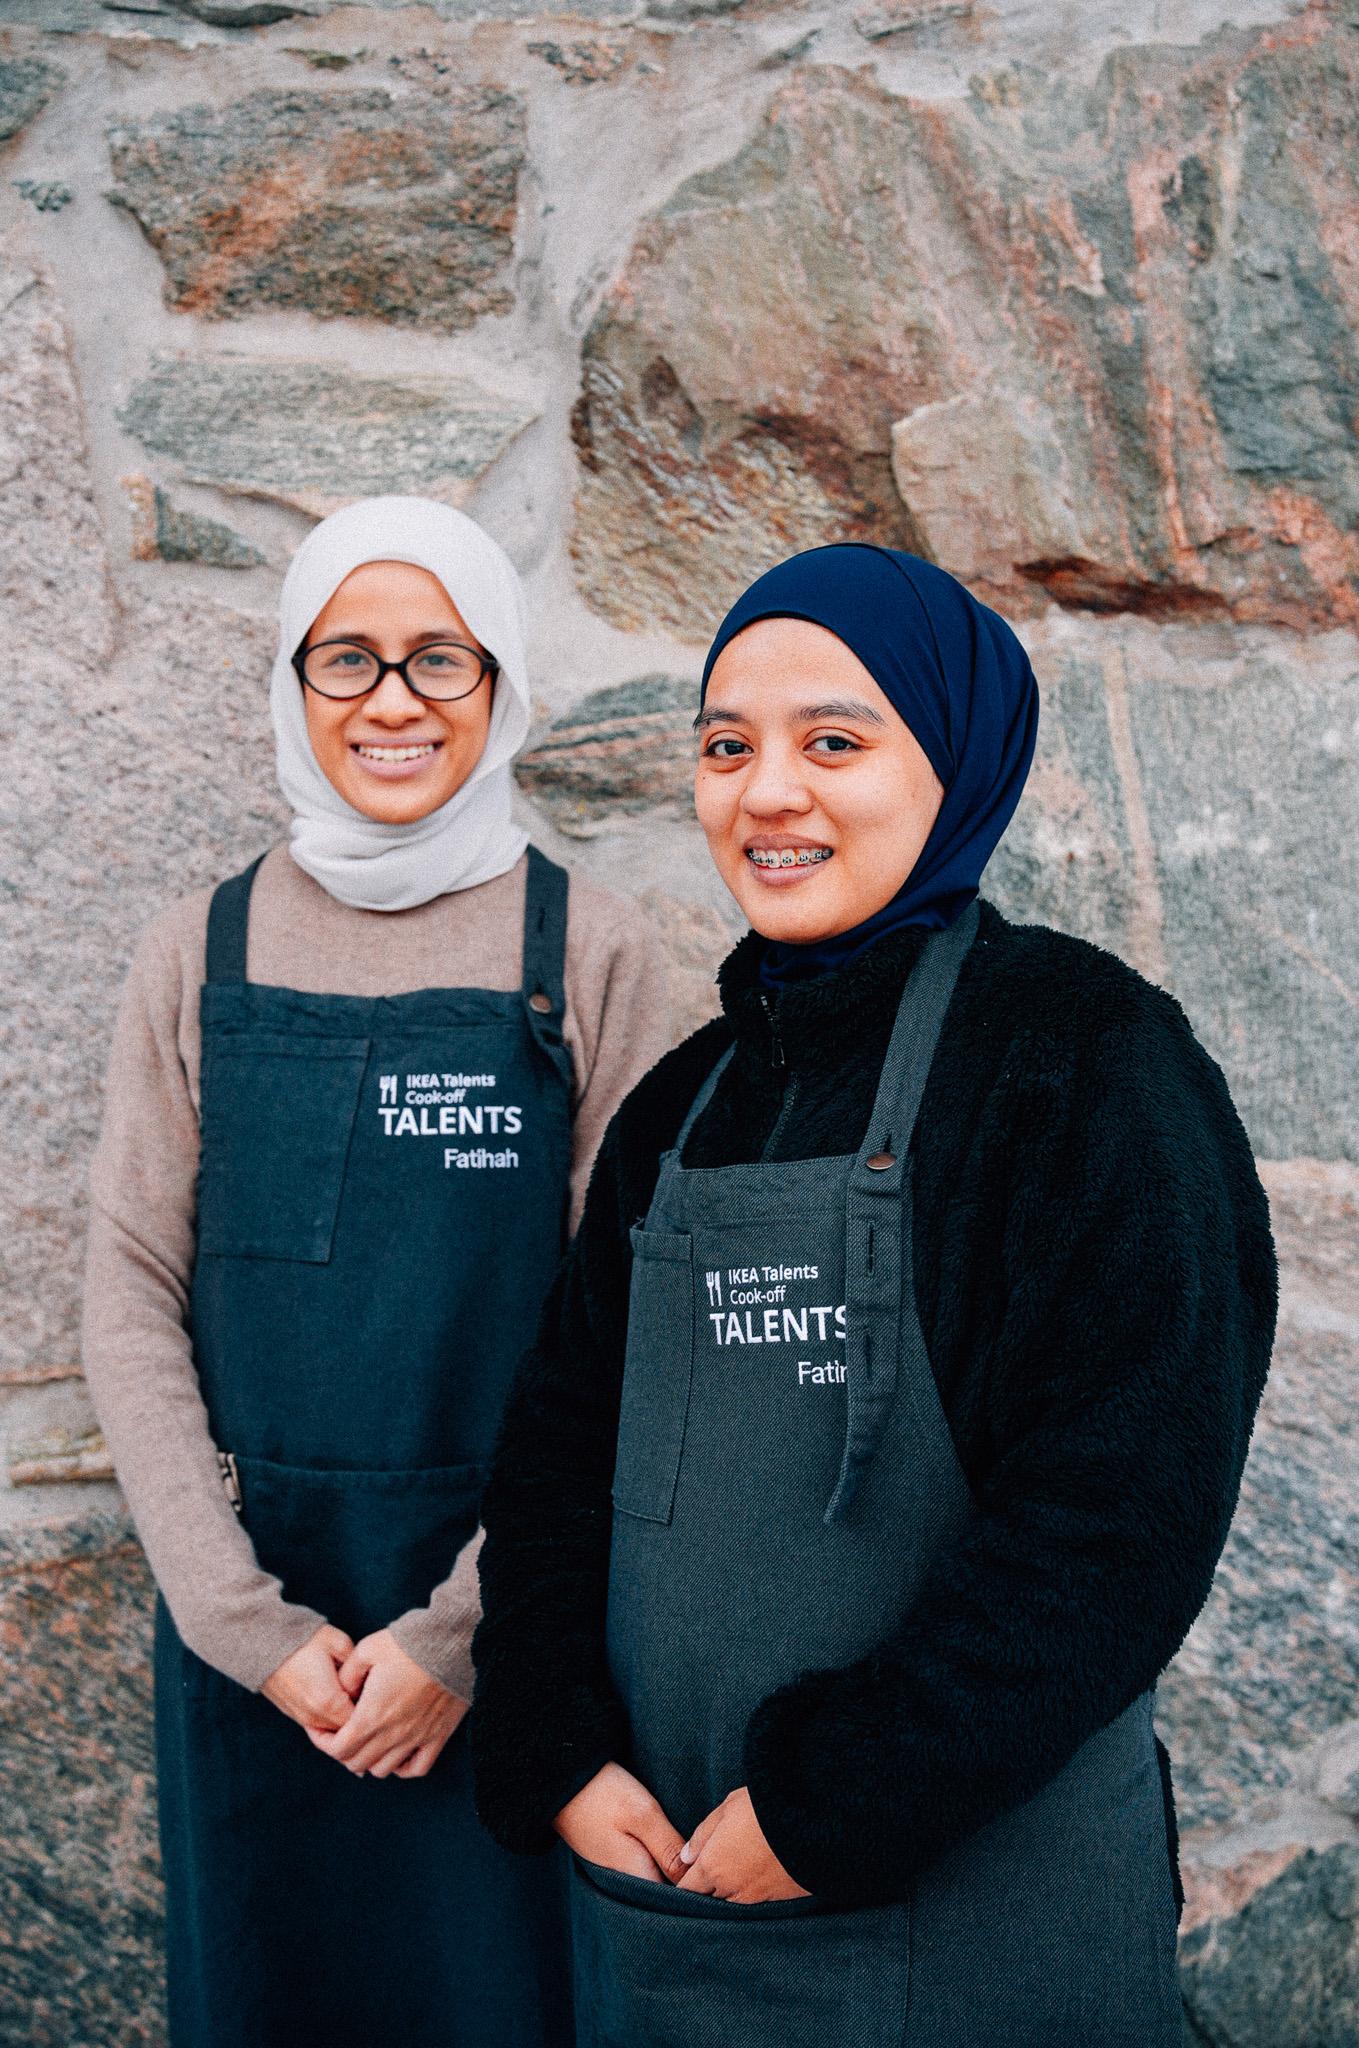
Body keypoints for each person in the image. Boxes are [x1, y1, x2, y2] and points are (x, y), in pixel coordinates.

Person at [469, 543, 1277, 2048]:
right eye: (727, 747)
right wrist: (555, 1747)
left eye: (833, 741)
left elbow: (1118, 1525)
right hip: (679, 1906)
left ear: (953, 756)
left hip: (979, 1907)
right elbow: (555, 1457)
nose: (768, 793)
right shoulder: (681, 1103)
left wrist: (832, 1803)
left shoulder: (1087, 1066)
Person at [82, 495, 671, 2048]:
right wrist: (254, 1636)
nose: (393, 700)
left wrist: (459, 1638)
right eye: (348, 659)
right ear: (292, 682)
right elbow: (131, 1290)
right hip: (258, 1635)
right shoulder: (193, 955)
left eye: (438, 659)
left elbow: (633, 1334)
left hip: (514, 1619)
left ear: (500, 691)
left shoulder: (595, 956)